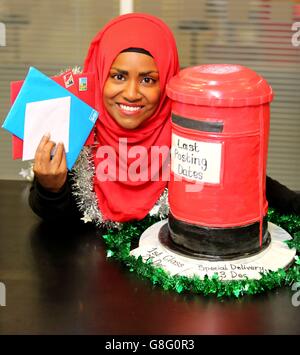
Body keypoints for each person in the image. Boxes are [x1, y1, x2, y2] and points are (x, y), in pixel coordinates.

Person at [29, 13, 300, 224]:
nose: (131, 93)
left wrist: (290, 201)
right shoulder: (79, 130)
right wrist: (51, 188)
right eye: (118, 76)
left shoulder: (185, 132)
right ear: (100, 75)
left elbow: (238, 180)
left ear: (168, 80)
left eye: (148, 79)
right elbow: (56, 223)